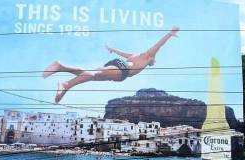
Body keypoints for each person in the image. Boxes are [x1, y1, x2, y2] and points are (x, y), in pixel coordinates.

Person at [43, 27, 180, 103]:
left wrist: (111, 49)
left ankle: (67, 85)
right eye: (153, 62)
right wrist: (169, 34)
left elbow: (121, 53)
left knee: (91, 75)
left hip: (119, 66)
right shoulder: (148, 56)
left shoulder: (135, 55)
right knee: (93, 74)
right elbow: (158, 45)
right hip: (123, 69)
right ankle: (61, 68)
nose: (153, 63)